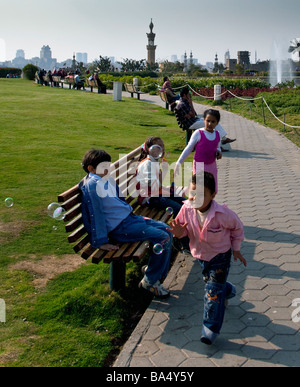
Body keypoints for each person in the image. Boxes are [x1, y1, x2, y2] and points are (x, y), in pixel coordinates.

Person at [80, 148, 173, 298]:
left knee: (168, 230)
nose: (108, 169)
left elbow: (119, 201)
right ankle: (150, 282)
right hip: (121, 227)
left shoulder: (107, 178)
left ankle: (153, 273)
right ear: (91, 168)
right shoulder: (92, 185)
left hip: (130, 220)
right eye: (104, 167)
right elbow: (95, 214)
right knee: (163, 237)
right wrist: (101, 241)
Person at [169, 171, 246, 344]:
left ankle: (210, 329)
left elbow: (237, 229)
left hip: (220, 256)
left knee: (211, 292)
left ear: (213, 195)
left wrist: (236, 249)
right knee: (213, 285)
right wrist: (180, 233)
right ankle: (228, 290)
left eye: (201, 195)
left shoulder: (224, 214)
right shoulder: (186, 209)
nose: (195, 198)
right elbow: (182, 229)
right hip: (201, 255)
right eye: (192, 192)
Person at [136, 136, 190, 253]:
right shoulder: (147, 164)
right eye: (157, 147)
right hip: (150, 198)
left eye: (162, 146)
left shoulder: (155, 161)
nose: (161, 149)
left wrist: (169, 189)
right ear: (149, 149)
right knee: (178, 208)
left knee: (184, 202)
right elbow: (153, 186)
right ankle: (181, 242)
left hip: (158, 193)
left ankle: (187, 236)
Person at [175, 109, 223, 193]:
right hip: (199, 165)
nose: (209, 124)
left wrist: (219, 152)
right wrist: (178, 163)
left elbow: (218, 147)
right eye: (207, 121)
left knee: (212, 189)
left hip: (212, 165)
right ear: (204, 119)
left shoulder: (217, 134)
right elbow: (188, 149)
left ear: (217, 123)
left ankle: (210, 204)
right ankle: (192, 201)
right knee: (199, 188)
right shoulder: (198, 133)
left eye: (213, 121)